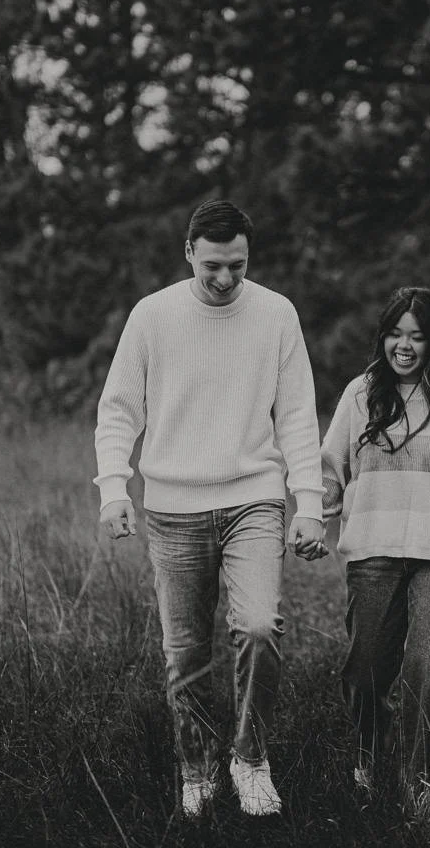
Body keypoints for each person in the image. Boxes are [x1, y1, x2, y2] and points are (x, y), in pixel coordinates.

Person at [93, 199, 329, 819]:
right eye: (213, 268)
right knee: (186, 650)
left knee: (258, 626)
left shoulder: (277, 314)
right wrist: (114, 488)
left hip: (254, 497)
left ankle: (250, 758)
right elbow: (119, 408)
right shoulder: (153, 316)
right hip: (173, 508)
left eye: (238, 267)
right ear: (190, 254)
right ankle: (196, 767)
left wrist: (310, 503)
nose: (226, 280)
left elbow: (298, 413)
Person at [300, 286, 430, 820]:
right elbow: (331, 471)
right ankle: (372, 755)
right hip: (372, 555)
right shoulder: (360, 394)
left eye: (417, 336)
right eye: (396, 333)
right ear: (383, 337)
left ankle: (420, 780)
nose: (404, 346)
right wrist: (313, 519)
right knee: (365, 673)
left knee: (429, 667)